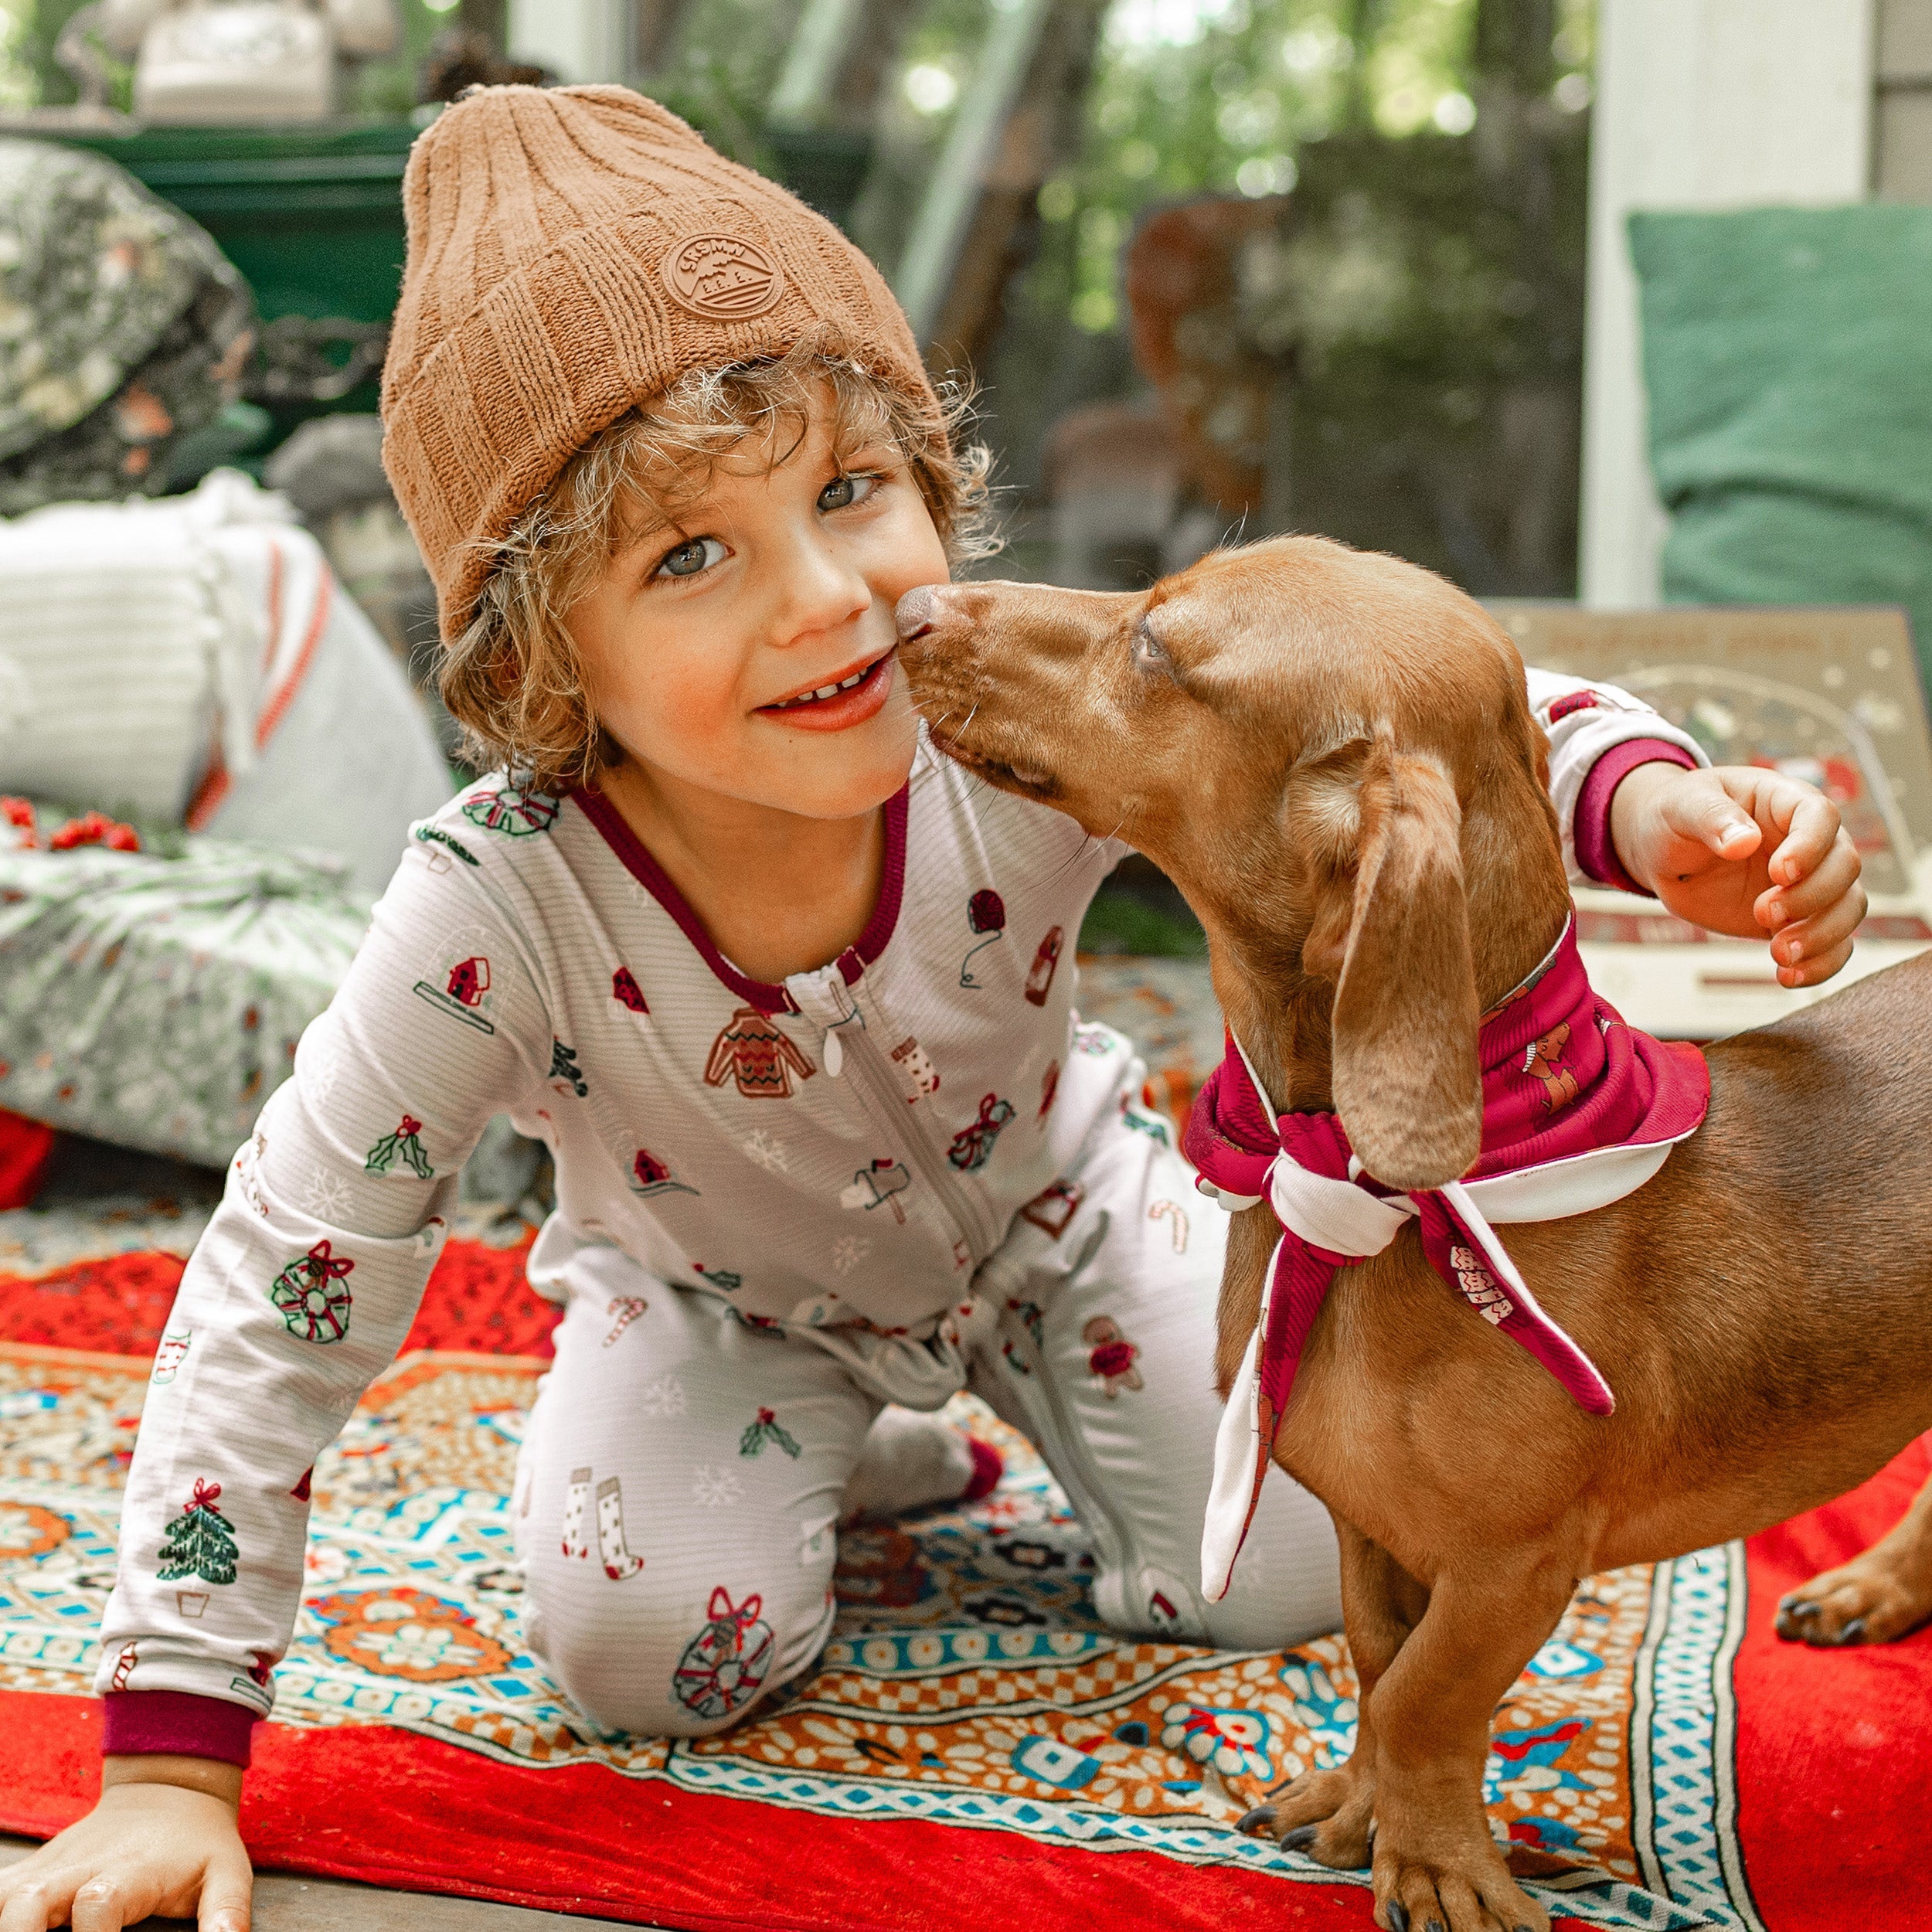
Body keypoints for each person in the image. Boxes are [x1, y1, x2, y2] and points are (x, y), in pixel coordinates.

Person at [0, 85, 1866, 1932]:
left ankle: (979, 1414)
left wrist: (1652, 811)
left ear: (926, 479)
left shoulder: (997, 732)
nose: (833, 601)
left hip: (1062, 1218)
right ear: (545, 657)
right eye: (689, 554)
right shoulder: (491, 905)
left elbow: (1397, 712)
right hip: (722, 1306)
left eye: (846, 491)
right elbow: (285, 1269)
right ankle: (858, 1449)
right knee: (646, 1642)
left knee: (1302, 1550)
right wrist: (172, 1753)